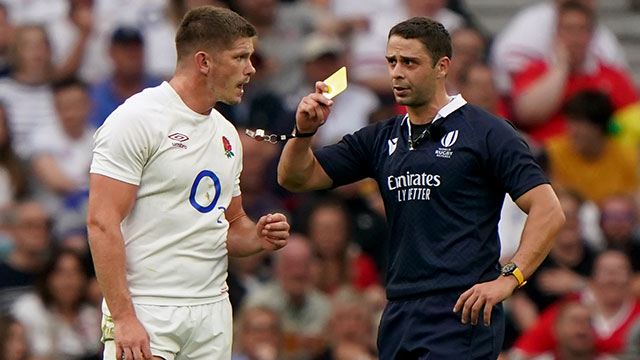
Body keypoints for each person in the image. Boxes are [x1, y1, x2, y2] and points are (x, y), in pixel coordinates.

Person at [277, 16, 565, 359]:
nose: (397, 72)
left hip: (461, 310)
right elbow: (295, 178)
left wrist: (509, 279)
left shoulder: (487, 131)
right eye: (392, 62)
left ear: (442, 66)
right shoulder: (381, 136)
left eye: (410, 62)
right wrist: (303, 133)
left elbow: (549, 210)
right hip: (399, 311)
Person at [87, 6, 290, 360]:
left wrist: (256, 236)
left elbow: (229, 224)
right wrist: (123, 317)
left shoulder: (227, 135)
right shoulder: (137, 120)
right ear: (204, 61)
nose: (251, 68)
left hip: (212, 313)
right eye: (241, 57)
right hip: (148, 309)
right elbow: (101, 222)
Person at [11, 248, 101, 360]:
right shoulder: (28, 309)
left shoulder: (91, 314)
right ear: (47, 277)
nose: (69, 281)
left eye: (75, 273)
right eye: (61, 273)